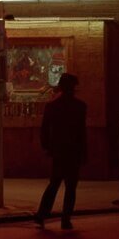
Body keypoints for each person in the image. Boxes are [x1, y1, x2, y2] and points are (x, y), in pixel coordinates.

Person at [33, 73, 87, 229]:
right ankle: (66, 217)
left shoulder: (52, 106)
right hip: (73, 151)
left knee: (54, 184)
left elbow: (44, 130)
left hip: (58, 151)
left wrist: (47, 147)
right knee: (70, 187)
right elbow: (81, 133)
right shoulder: (80, 106)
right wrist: (84, 152)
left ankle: (42, 214)